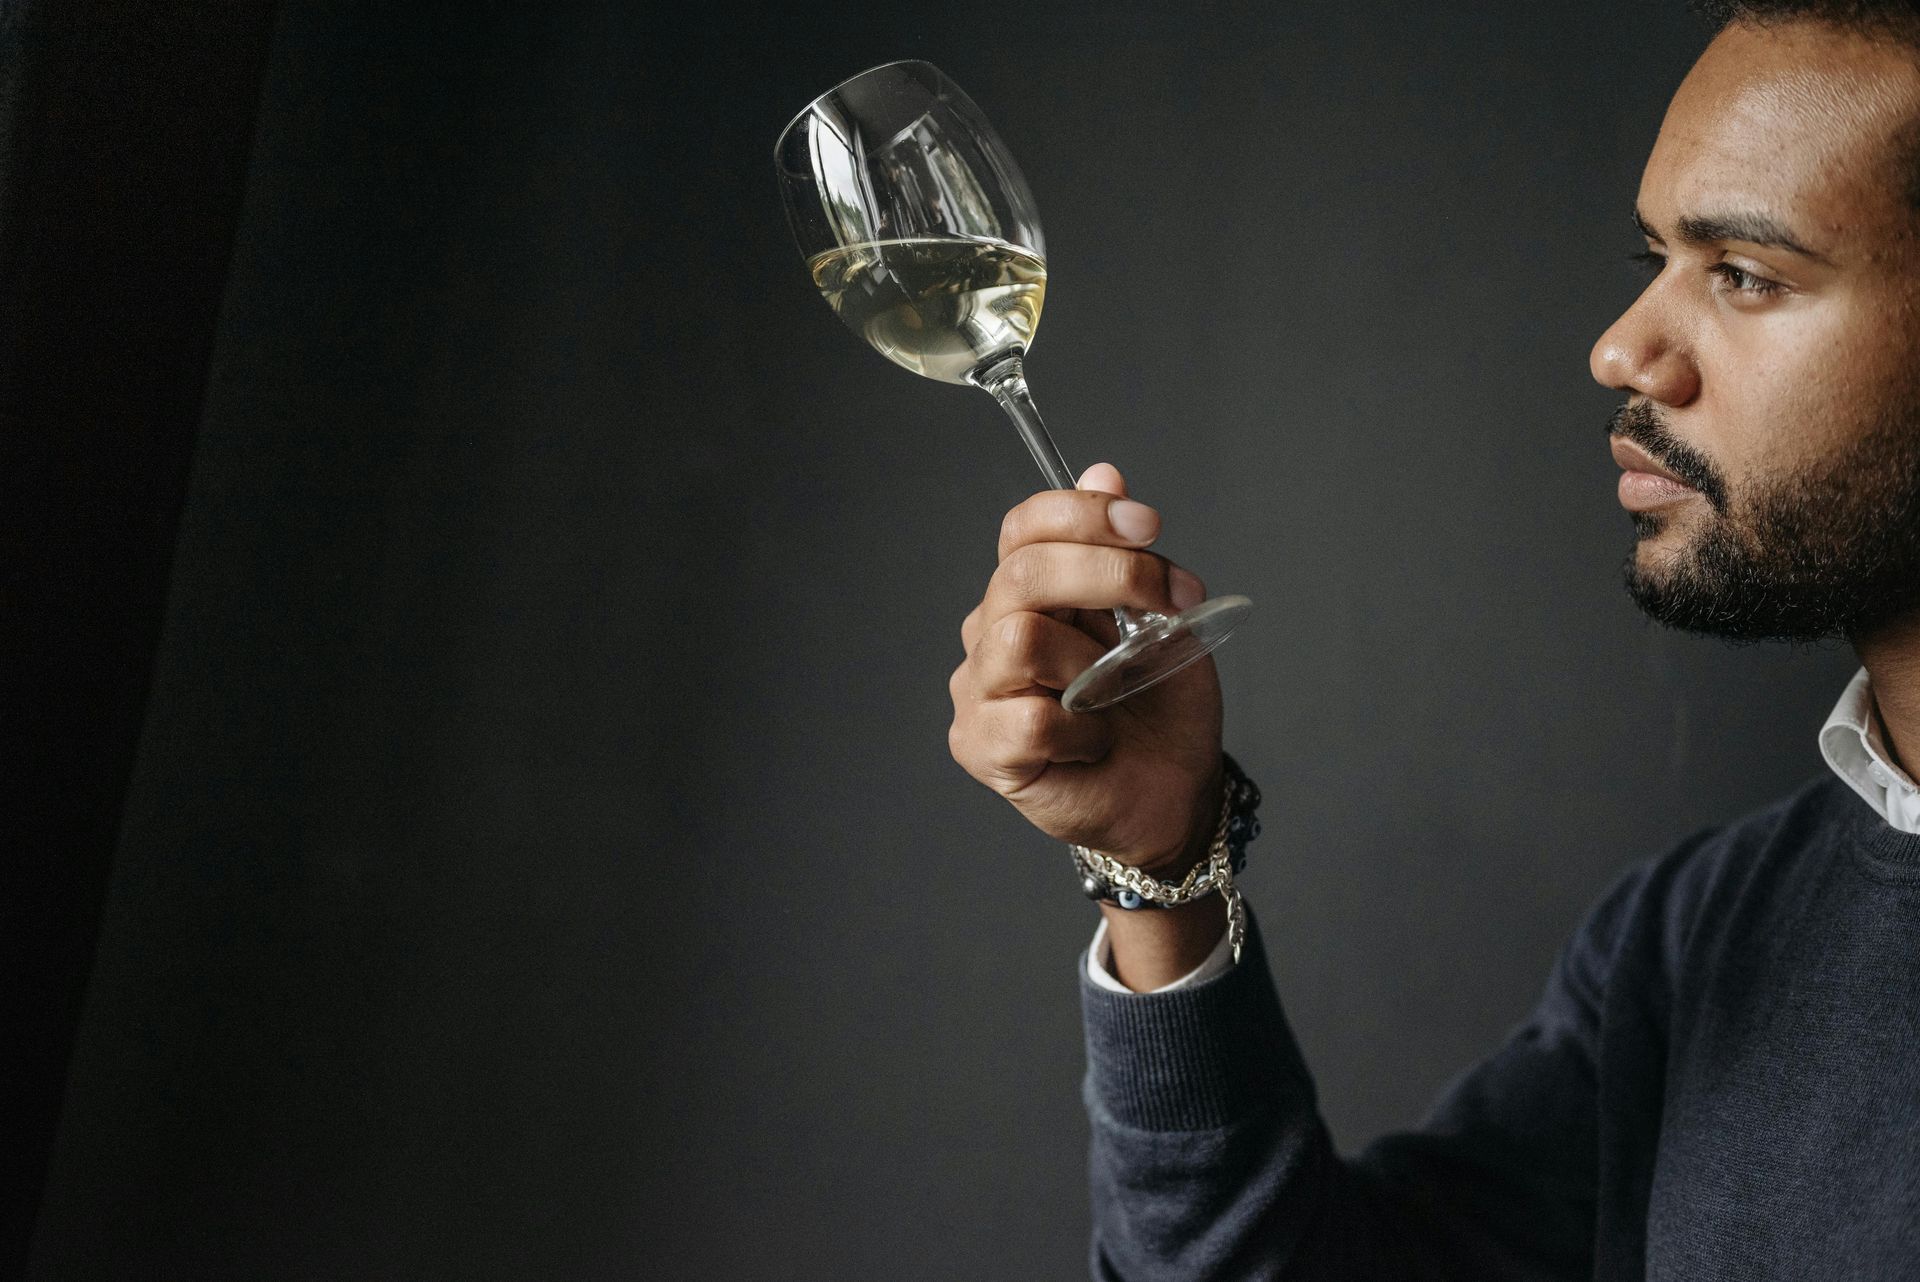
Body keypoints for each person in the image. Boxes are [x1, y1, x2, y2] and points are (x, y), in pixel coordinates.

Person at [945, 3, 1920, 1277]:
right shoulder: (1695, 944)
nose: (1622, 350)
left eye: (1744, 273)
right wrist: (1163, 868)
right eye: (1654, 259)